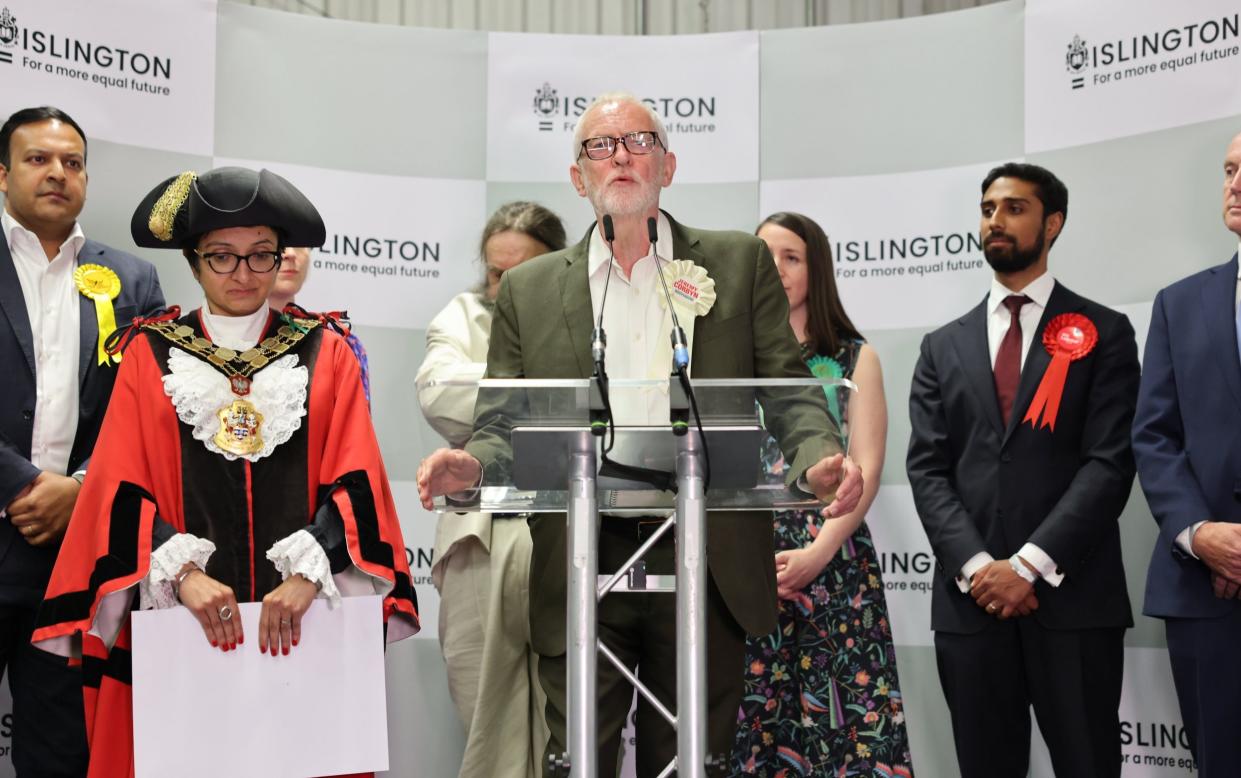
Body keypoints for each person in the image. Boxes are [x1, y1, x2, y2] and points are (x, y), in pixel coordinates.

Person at [416, 92, 862, 776]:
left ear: (667, 165)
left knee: (690, 760)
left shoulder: (737, 263)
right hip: (578, 554)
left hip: (706, 552)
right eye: (600, 145)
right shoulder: (531, 289)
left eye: (637, 142)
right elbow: (502, 420)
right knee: (577, 758)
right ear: (577, 178)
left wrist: (817, 457)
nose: (619, 155)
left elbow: (786, 386)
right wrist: (472, 468)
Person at [30, 166, 419, 776]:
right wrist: (181, 574)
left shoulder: (327, 350)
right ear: (192, 261)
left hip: (304, 623)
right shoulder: (149, 353)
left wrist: (309, 574)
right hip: (178, 624)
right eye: (223, 258)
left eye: (261, 256)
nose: (243, 274)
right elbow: (117, 486)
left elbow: (357, 482)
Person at [906, 162, 1138, 778]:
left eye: (1014, 208)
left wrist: (1030, 565)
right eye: (987, 209)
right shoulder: (941, 346)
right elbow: (928, 470)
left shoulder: (1104, 333)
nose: (995, 221)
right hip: (971, 605)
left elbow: (1109, 465)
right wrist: (983, 569)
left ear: (1052, 222)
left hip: (1074, 603)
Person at [0, 105, 164, 776]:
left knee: (61, 747)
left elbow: (149, 410)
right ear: (3, 174)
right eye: (38, 159)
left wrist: (83, 487)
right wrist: (23, 485)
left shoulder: (131, 279)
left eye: (72, 163)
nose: (57, 174)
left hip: (75, 554)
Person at [732, 212, 913, 777]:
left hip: (833, 563)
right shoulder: (728, 364)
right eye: (765, 258)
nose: (777, 270)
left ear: (818, 269)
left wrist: (816, 553)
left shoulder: (857, 360)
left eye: (791, 257)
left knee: (847, 735)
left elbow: (867, 468)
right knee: (749, 728)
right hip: (745, 564)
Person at [416, 200, 566, 778]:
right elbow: (439, 398)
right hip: (480, 533)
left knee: (573, 721)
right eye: (497, 272)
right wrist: (549, 393)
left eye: (522, 272)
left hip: (569, 528)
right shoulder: (463, 315)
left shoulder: (590, 318)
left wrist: (507, 403)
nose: (506, 287)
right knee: (484, 720)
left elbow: (607, 408)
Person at [1133, 130, 1241, 777]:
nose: (1234, 184)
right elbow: (1153, 434)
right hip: (1202, 589)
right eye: (1229, 169)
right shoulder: (1178, 304)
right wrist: (1202, 536)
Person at [268, 245, 373, 405]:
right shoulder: (223, 339)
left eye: (299, 243)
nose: (290, 254)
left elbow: (356, 425)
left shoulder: (340, 343)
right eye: (280, 244)